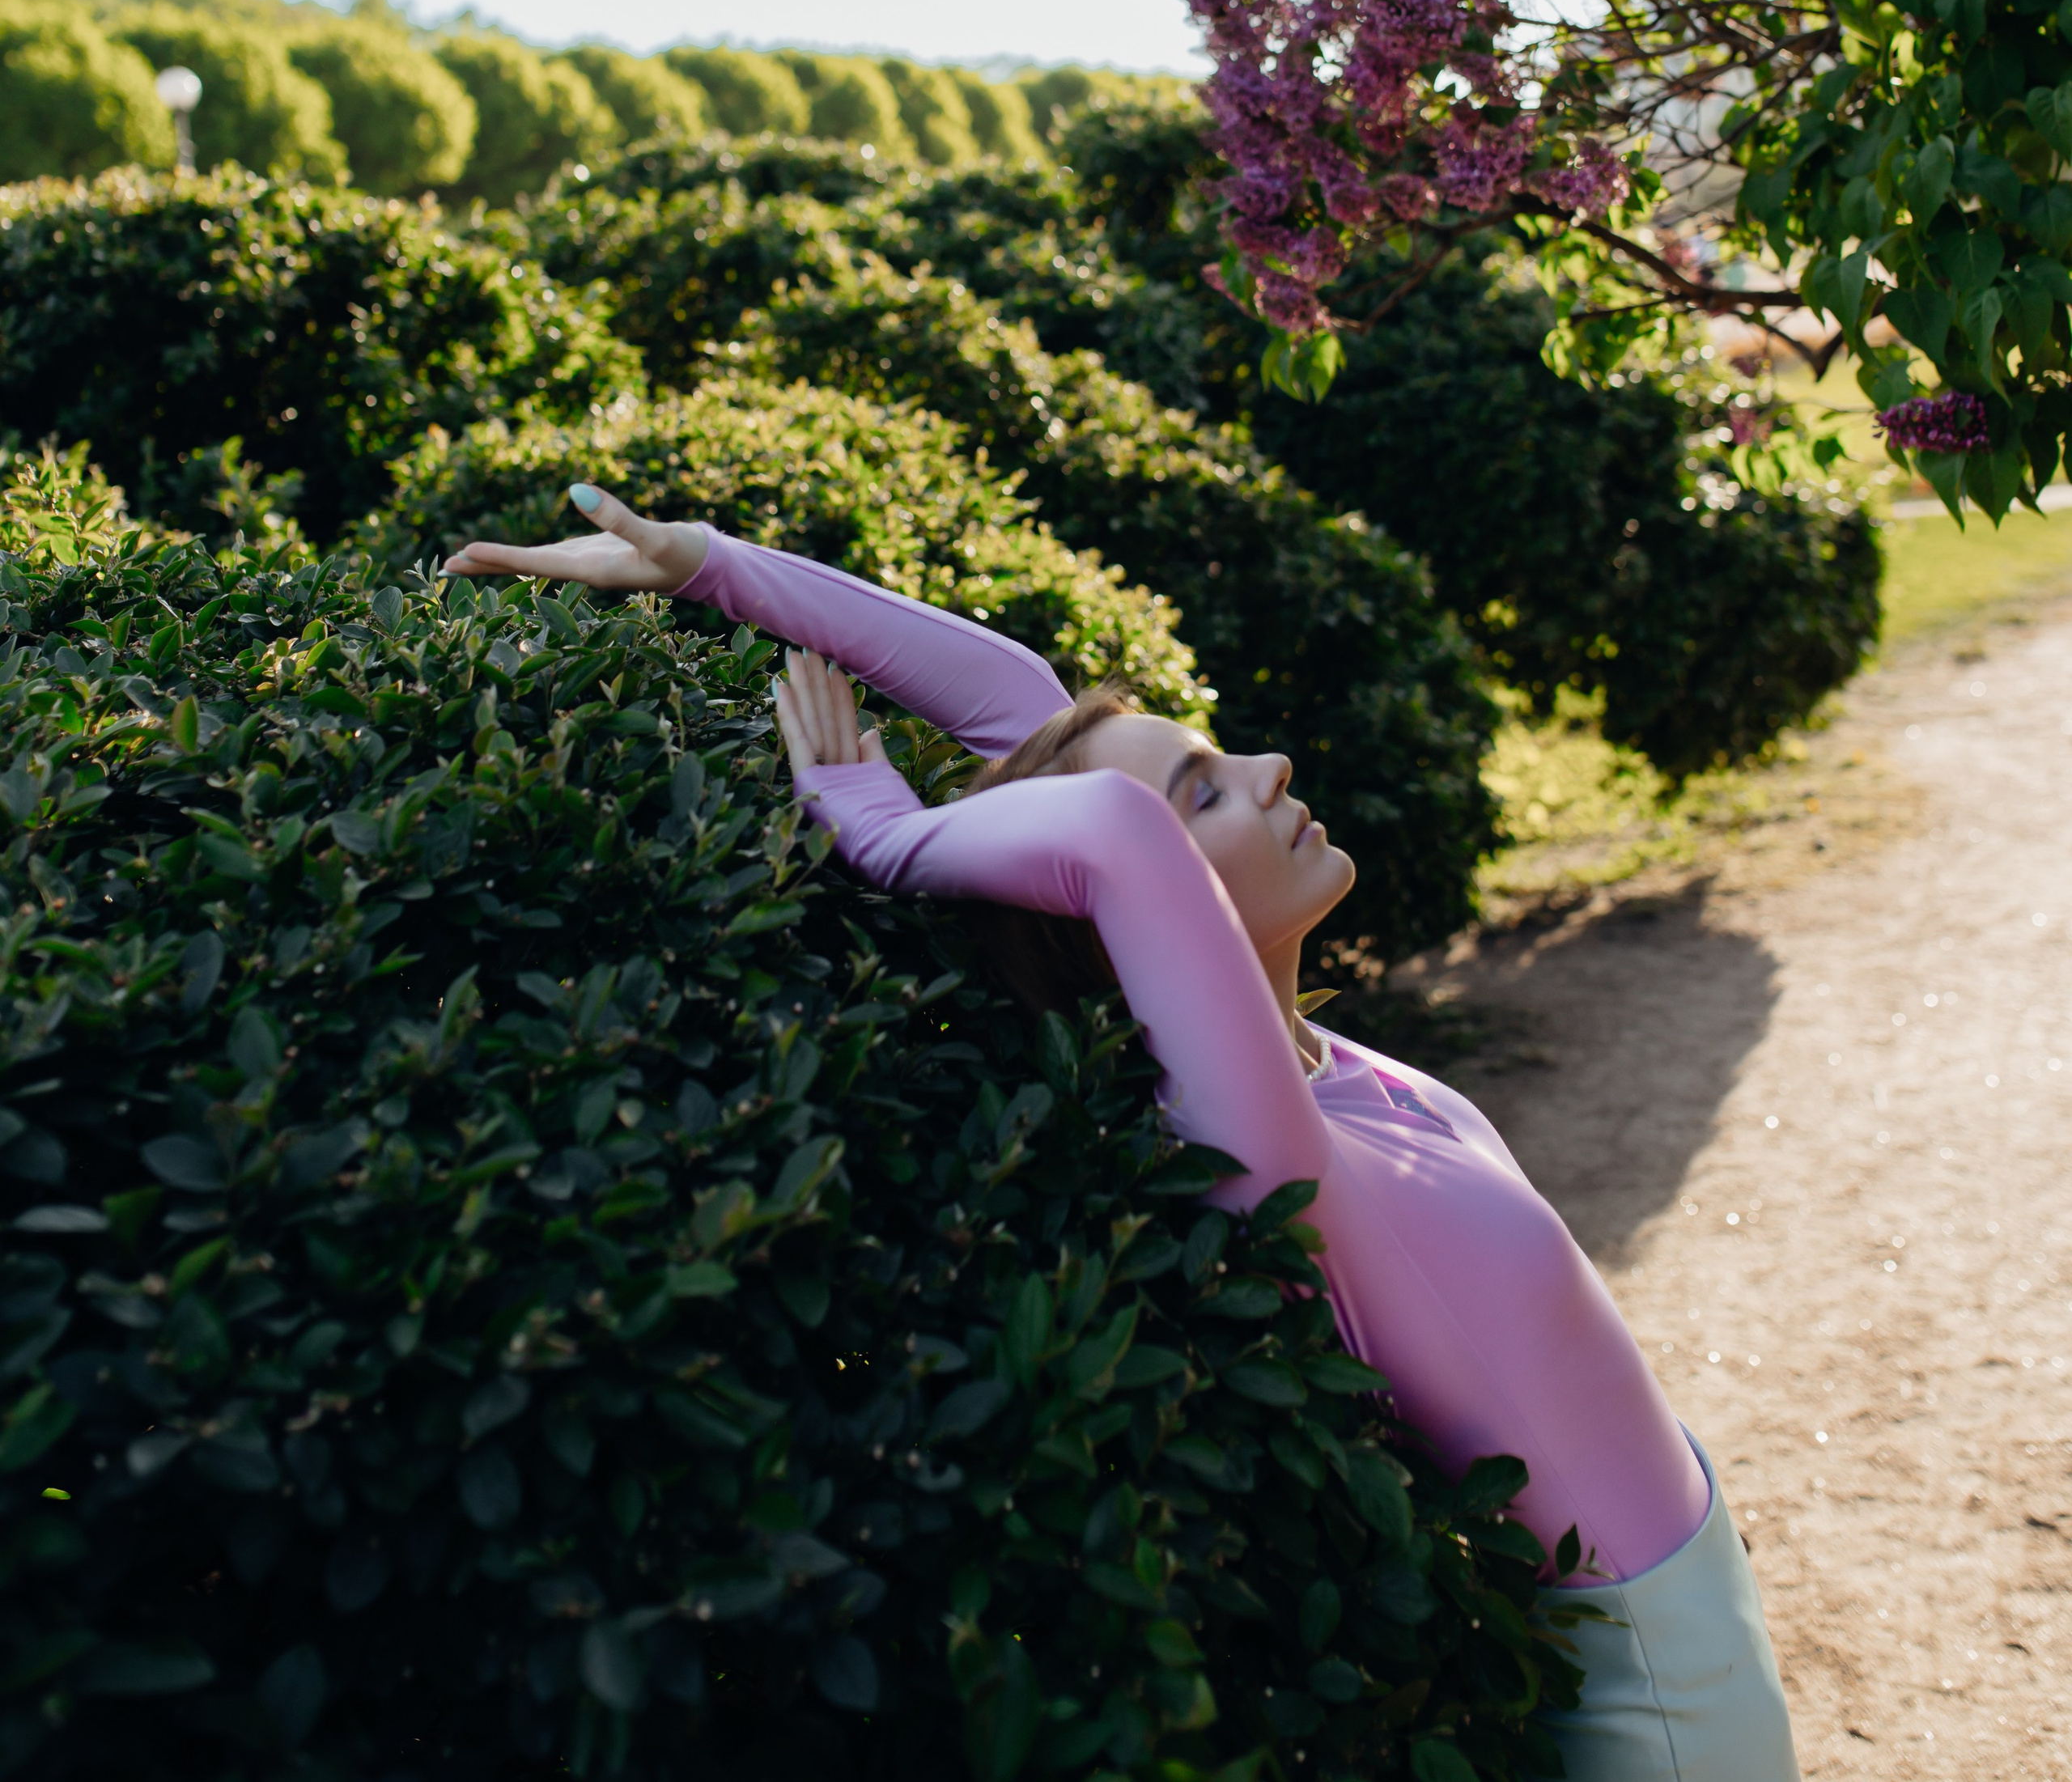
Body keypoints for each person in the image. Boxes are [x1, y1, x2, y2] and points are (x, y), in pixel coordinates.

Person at [444, 484, 1800, 1782]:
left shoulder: (1312, 1064)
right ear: (1130, 912)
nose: (1269, 769)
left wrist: (717, 570)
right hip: (1663, 1698)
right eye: (1209, 790)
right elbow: (1102, 817)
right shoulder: (1267, 1156)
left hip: (1692, 1588)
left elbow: (1035, 715)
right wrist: (882, 830)